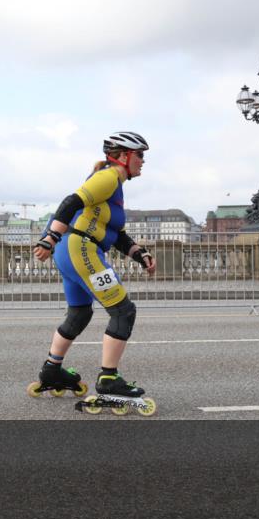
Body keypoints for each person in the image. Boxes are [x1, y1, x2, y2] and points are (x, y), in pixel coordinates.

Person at [31, 131, 157, 407]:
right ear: (123, 156)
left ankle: (52, 370)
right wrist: (49, 239)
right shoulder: (109, 177)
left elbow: (116, 234)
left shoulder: (115, 185)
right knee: (123, 311)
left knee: (80, 312)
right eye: (140, 155)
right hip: (81, 250)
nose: (143, 161)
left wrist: (140, 253)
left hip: (71, 251)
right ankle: (109, 379)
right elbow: (70, 202)